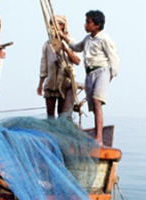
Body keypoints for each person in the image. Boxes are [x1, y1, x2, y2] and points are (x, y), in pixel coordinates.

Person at [60, 10, 119, 146]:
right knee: (93, 106)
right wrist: (63, 37)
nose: (85, 25)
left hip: (101, 71)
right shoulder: (87, 39)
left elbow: (114, 60)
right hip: (89, 73)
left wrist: (109, 76)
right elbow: (76, 46)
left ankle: (99, 138)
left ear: (97, 25)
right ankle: (97, 134)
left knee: (98, 103)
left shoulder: (104, 39)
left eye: (88, 22)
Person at [37, 15, 81, 119]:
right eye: (51, 23)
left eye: (57, 23)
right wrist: (40, 84)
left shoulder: (70, 41)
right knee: (50, 115)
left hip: (65, 83)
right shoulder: (47, 45)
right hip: (51, 83)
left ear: (62, 26)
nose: (53, 26)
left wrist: (66, 50)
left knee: (63, 114)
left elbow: (77, 61)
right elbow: (44, 66)